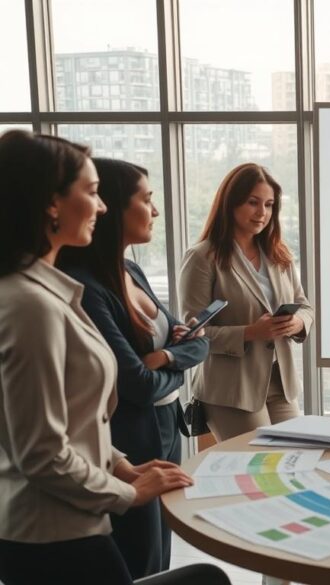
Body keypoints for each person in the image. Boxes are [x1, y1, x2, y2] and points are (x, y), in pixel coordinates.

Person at [0, 131, 196, 584]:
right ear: (51, 203)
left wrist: (120, 463)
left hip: (66, 529)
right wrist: (127, 492)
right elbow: (42, 452)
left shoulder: (46, 291)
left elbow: (70, 420)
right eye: (91, 193)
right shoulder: (30, 305)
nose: (103, 206)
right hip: (52, 538)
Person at [58, 158, 211, 578]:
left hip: (165, 423)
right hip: (129, 433)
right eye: (146, 199)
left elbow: (198, 342)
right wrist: (179, 359)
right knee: (141, 558)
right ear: (112, 208)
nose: (156, 211)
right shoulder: (86, 287)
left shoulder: (131, 269)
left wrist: (165, 358)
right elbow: (137, 386)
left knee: (161, 550)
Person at [179, 163, 313, 441]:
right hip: (233, 390)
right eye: (253, 202)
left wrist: (298, 322)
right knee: (259, 468)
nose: (262, 213)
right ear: (231, 202)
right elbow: (193, 334)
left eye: (269, 204)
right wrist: (251, 333)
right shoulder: (203, 258)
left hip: (281, 381)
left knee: (295, 458)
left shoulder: (278, 254)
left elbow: (304, 305)